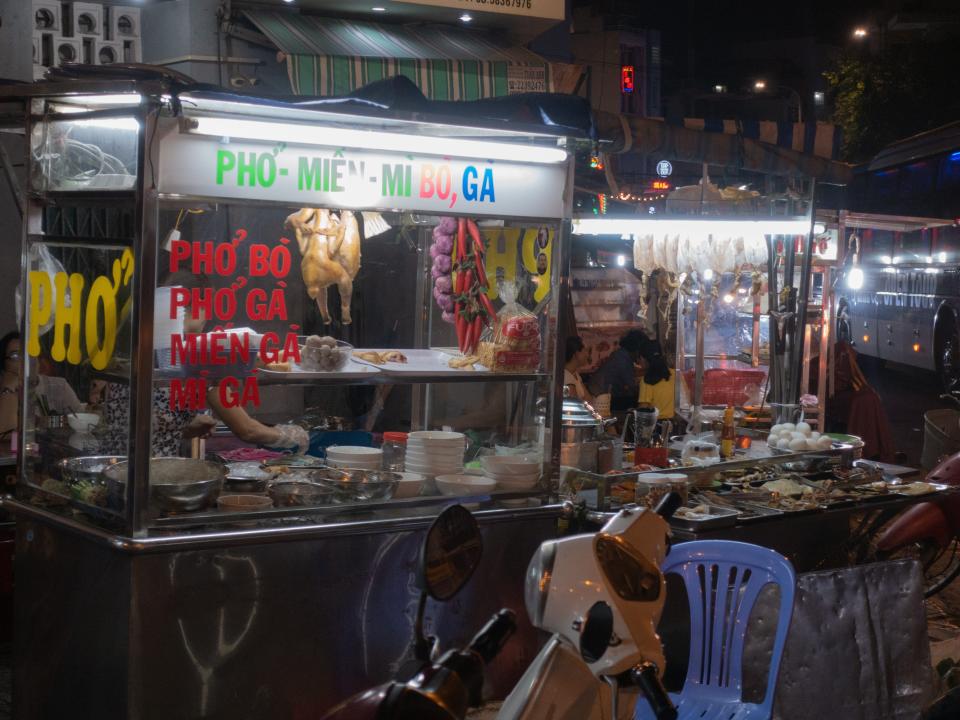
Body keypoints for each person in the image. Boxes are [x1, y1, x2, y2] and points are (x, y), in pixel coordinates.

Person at [101, 271, 308, 457]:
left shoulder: (136, 346)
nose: (208, 317)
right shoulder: (196, 356)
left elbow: (147, 424)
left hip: (115, 465)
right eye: (207, 307)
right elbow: (247, 429)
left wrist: (187, 427)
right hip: (149, 477)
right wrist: (291, 436)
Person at [587, 329, 645, 414]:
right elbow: (632, 386)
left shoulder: (621, 354)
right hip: (601, 398)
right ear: (636, 348)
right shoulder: (623, 358)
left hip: (601, 394)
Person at [636, 335, 675, 419]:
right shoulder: (675, 374)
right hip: (679, 423)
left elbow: (643, 411)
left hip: (658, 426)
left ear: (642, 358)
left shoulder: (647, 380)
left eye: (639, 358)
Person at [0, 332, 20, 438]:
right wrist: (8, 388)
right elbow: (7, 434)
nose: (23, 360)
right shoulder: (4, 389)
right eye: (15, 355)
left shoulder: (59, 386)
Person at [564, 335, 592, 402]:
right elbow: (574, 405)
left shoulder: (575, 374)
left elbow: (589, 400)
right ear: (576, 354)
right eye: (585, 350)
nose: (587, 355)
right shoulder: (566, 376)